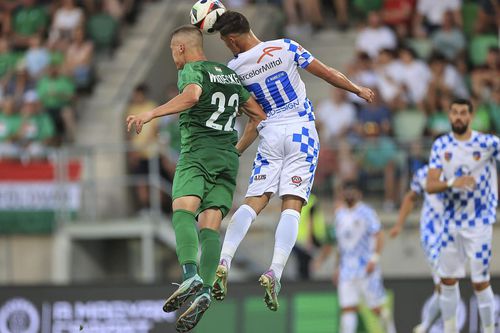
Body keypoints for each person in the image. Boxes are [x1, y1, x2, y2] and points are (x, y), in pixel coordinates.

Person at [211, 11, 374, 311]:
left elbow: (253, 117)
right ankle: (275, 271)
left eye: (225, 42)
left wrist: (236, 151)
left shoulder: (234, 68)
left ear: (232, 40)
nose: (227, 48)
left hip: (270, 133)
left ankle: (224, 260)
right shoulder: (286, 47)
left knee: (253, 201)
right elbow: (326, 73)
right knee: (293, 203)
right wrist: (357, 89)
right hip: (301, 131)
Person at [126, 25, 266, 332]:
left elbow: (191, 96)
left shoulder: (191, 71)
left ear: (180, 49)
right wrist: (236, 151)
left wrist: (152, 114)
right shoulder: (228, 74)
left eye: (172, 53)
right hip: (227, 159)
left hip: (197, 153)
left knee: (183, 211)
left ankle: (190, 273)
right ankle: (203, 290)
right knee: (210, 225)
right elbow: (257, 117)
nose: (174, 59)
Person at [426, 98, 499, 333]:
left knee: (480, 281)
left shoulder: (487, 143)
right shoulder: (441, 145)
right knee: (447, 280)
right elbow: (430, 185)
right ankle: (450, 329)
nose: (458, 117)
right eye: (454, 112)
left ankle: (489, 329)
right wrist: (452, 182)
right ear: (449, 115)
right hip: (450, 223)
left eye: (463, 113)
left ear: (471, 116)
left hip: (480, 222)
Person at [314, 181, 396, 333]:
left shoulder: (366, 212)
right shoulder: (339, 215)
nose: (349, 194)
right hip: (346, 269)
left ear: (359, 194)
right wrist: (337, 267)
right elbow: (339, 245)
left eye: (353, 191)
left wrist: (374, 259)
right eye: (347, 191)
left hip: (366, 267)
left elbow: (379, 235)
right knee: (348, 308)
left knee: (376, 308)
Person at [390, 164, 444, 333]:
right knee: (446, 283)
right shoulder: (424, 174)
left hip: (454, 235)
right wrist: (399, 224)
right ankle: (428, 325)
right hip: (432, 234)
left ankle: (427, 326)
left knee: (448, 287)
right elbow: (410, 198)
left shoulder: (460, 169)